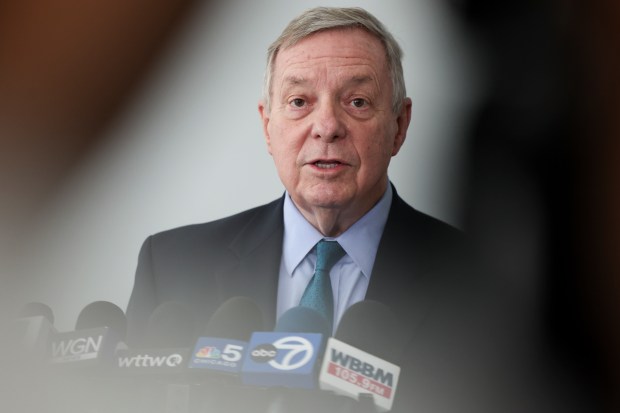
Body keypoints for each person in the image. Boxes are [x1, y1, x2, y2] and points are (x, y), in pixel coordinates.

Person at [127, 7, 487, 412]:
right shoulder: (172, 265)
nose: (327, 126)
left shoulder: (482, 278)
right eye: (299, 101)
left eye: (357, 101)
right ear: (267, 126)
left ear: (399, 125)